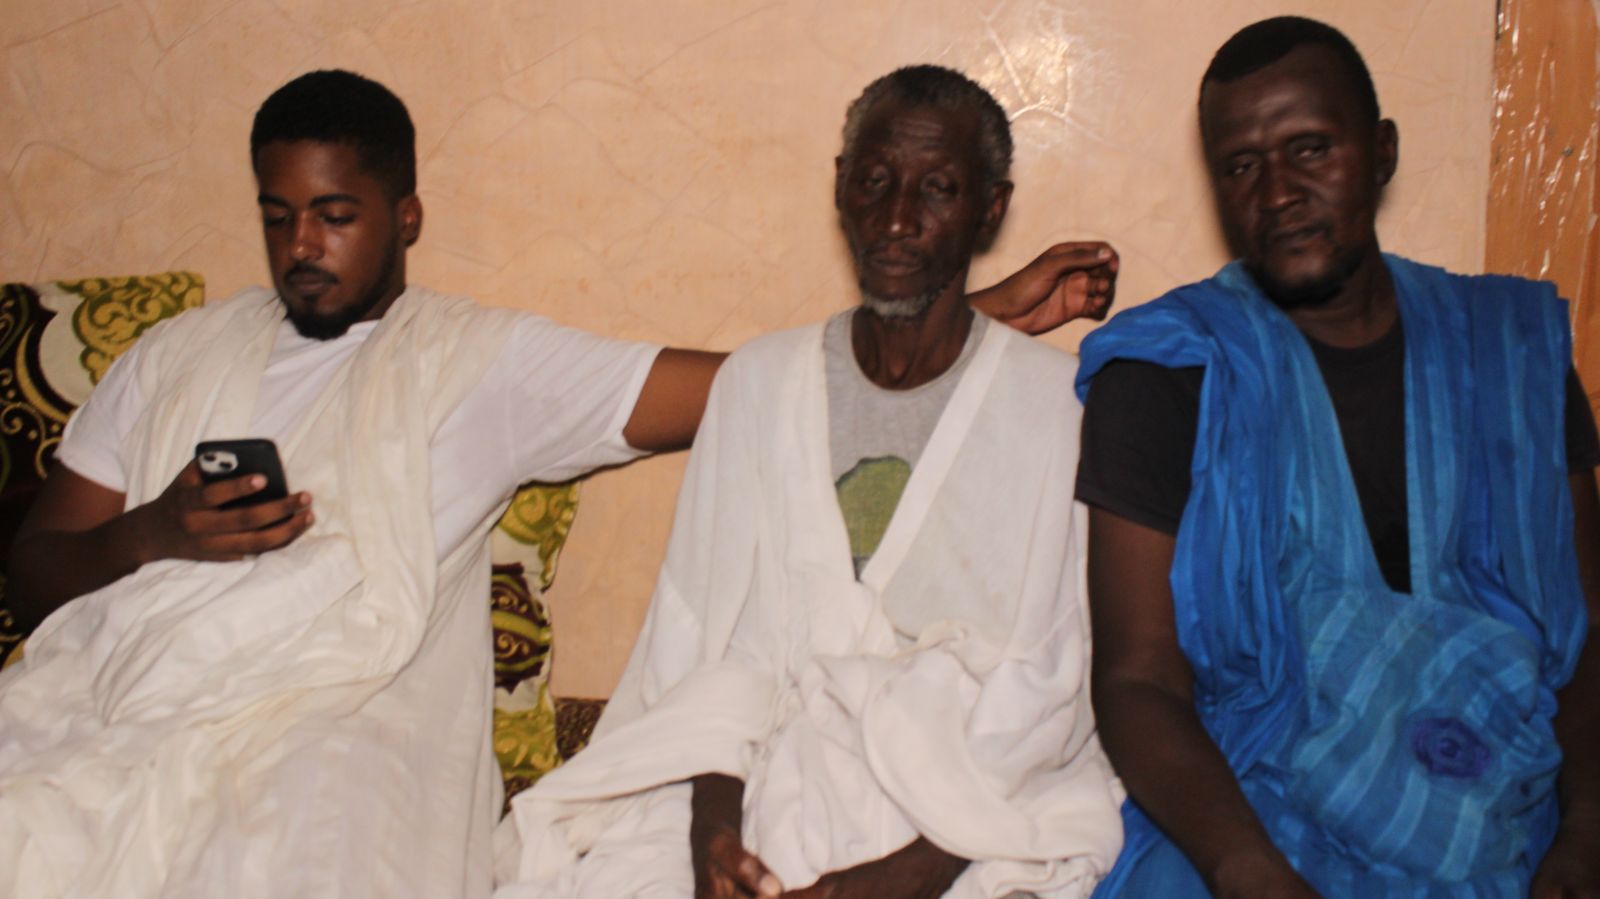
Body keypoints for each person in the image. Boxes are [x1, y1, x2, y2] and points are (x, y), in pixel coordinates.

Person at [0, 70, 1117, 897]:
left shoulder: (475, 363)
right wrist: (151, 532)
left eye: (334, 215)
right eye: (276, 214)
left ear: (405, 217)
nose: (303, 245)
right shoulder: (171, 358)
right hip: (119, 696)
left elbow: (762, 388)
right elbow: (32, 573)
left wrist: (961, 315)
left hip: (324, 716)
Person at [493, 64, 1124, 899]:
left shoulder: (1055, 411)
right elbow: (704, 656)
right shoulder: (758, 385)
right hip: (743, 785)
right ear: (839, 187)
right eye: (874, 181)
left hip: (966, 821)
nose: (896, 218)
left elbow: (1051, 696)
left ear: (990, 208)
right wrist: (715, 836)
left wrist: (905, 877)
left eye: (937, 188)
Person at [1075, 16, 1600, 898]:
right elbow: (1137, 678)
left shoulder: (1512, 355)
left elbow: (1589, 636)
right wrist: (1247, 869)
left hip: (1515, 799)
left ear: (1381, 152)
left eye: (1311, 149)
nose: (1278, 192)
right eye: (1241, 166)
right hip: (1253, 806)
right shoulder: (1168, 373)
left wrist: (1585, 837)